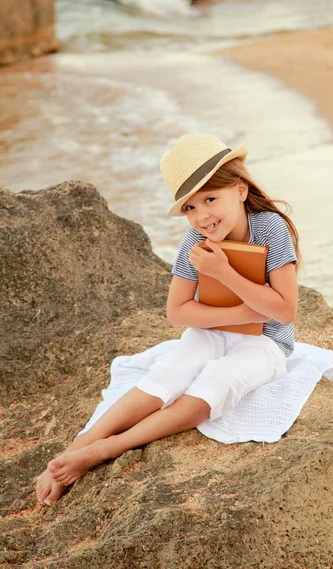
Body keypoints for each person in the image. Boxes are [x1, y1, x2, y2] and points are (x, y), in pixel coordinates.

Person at [36, 133, 299, 505]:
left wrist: (224, 273)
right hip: (211, 331)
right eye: (191, 207)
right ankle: (75, 449)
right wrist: (243, 312)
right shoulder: (195, 239)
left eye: (210, 199)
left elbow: (284, 311)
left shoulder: (270, 227)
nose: (202, 216)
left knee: (214, 384)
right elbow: (177, 311)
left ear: (239, 190)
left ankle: (105, 449)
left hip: (266, 343)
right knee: (170, 372)